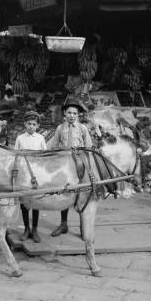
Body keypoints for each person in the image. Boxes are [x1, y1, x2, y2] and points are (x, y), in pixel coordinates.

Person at [46, 100, 93, 236]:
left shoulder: (82, 128)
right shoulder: (60, 128)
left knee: (81, 193)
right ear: (65, 114)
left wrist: (81, 152)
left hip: (79, 164)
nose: (72, 116)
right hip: (65, 165)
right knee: (65, 191)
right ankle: (63, 224)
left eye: (75, 113)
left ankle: (83, 226)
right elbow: (54, 146)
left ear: (78, 115)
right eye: (69, 113)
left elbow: (89, 147)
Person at [14, 110, 47, 243]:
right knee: (24, 203)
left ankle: (35, 230)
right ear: (24, 124)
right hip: (23, 173)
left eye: (34, 124)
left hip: (36, 174)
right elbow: (15, 155)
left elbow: (44, 156)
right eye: (29, 124)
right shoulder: (20, 138)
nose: (31, 126)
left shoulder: (40, 138)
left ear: (37, 125)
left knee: (36, 201)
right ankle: (26, 229)